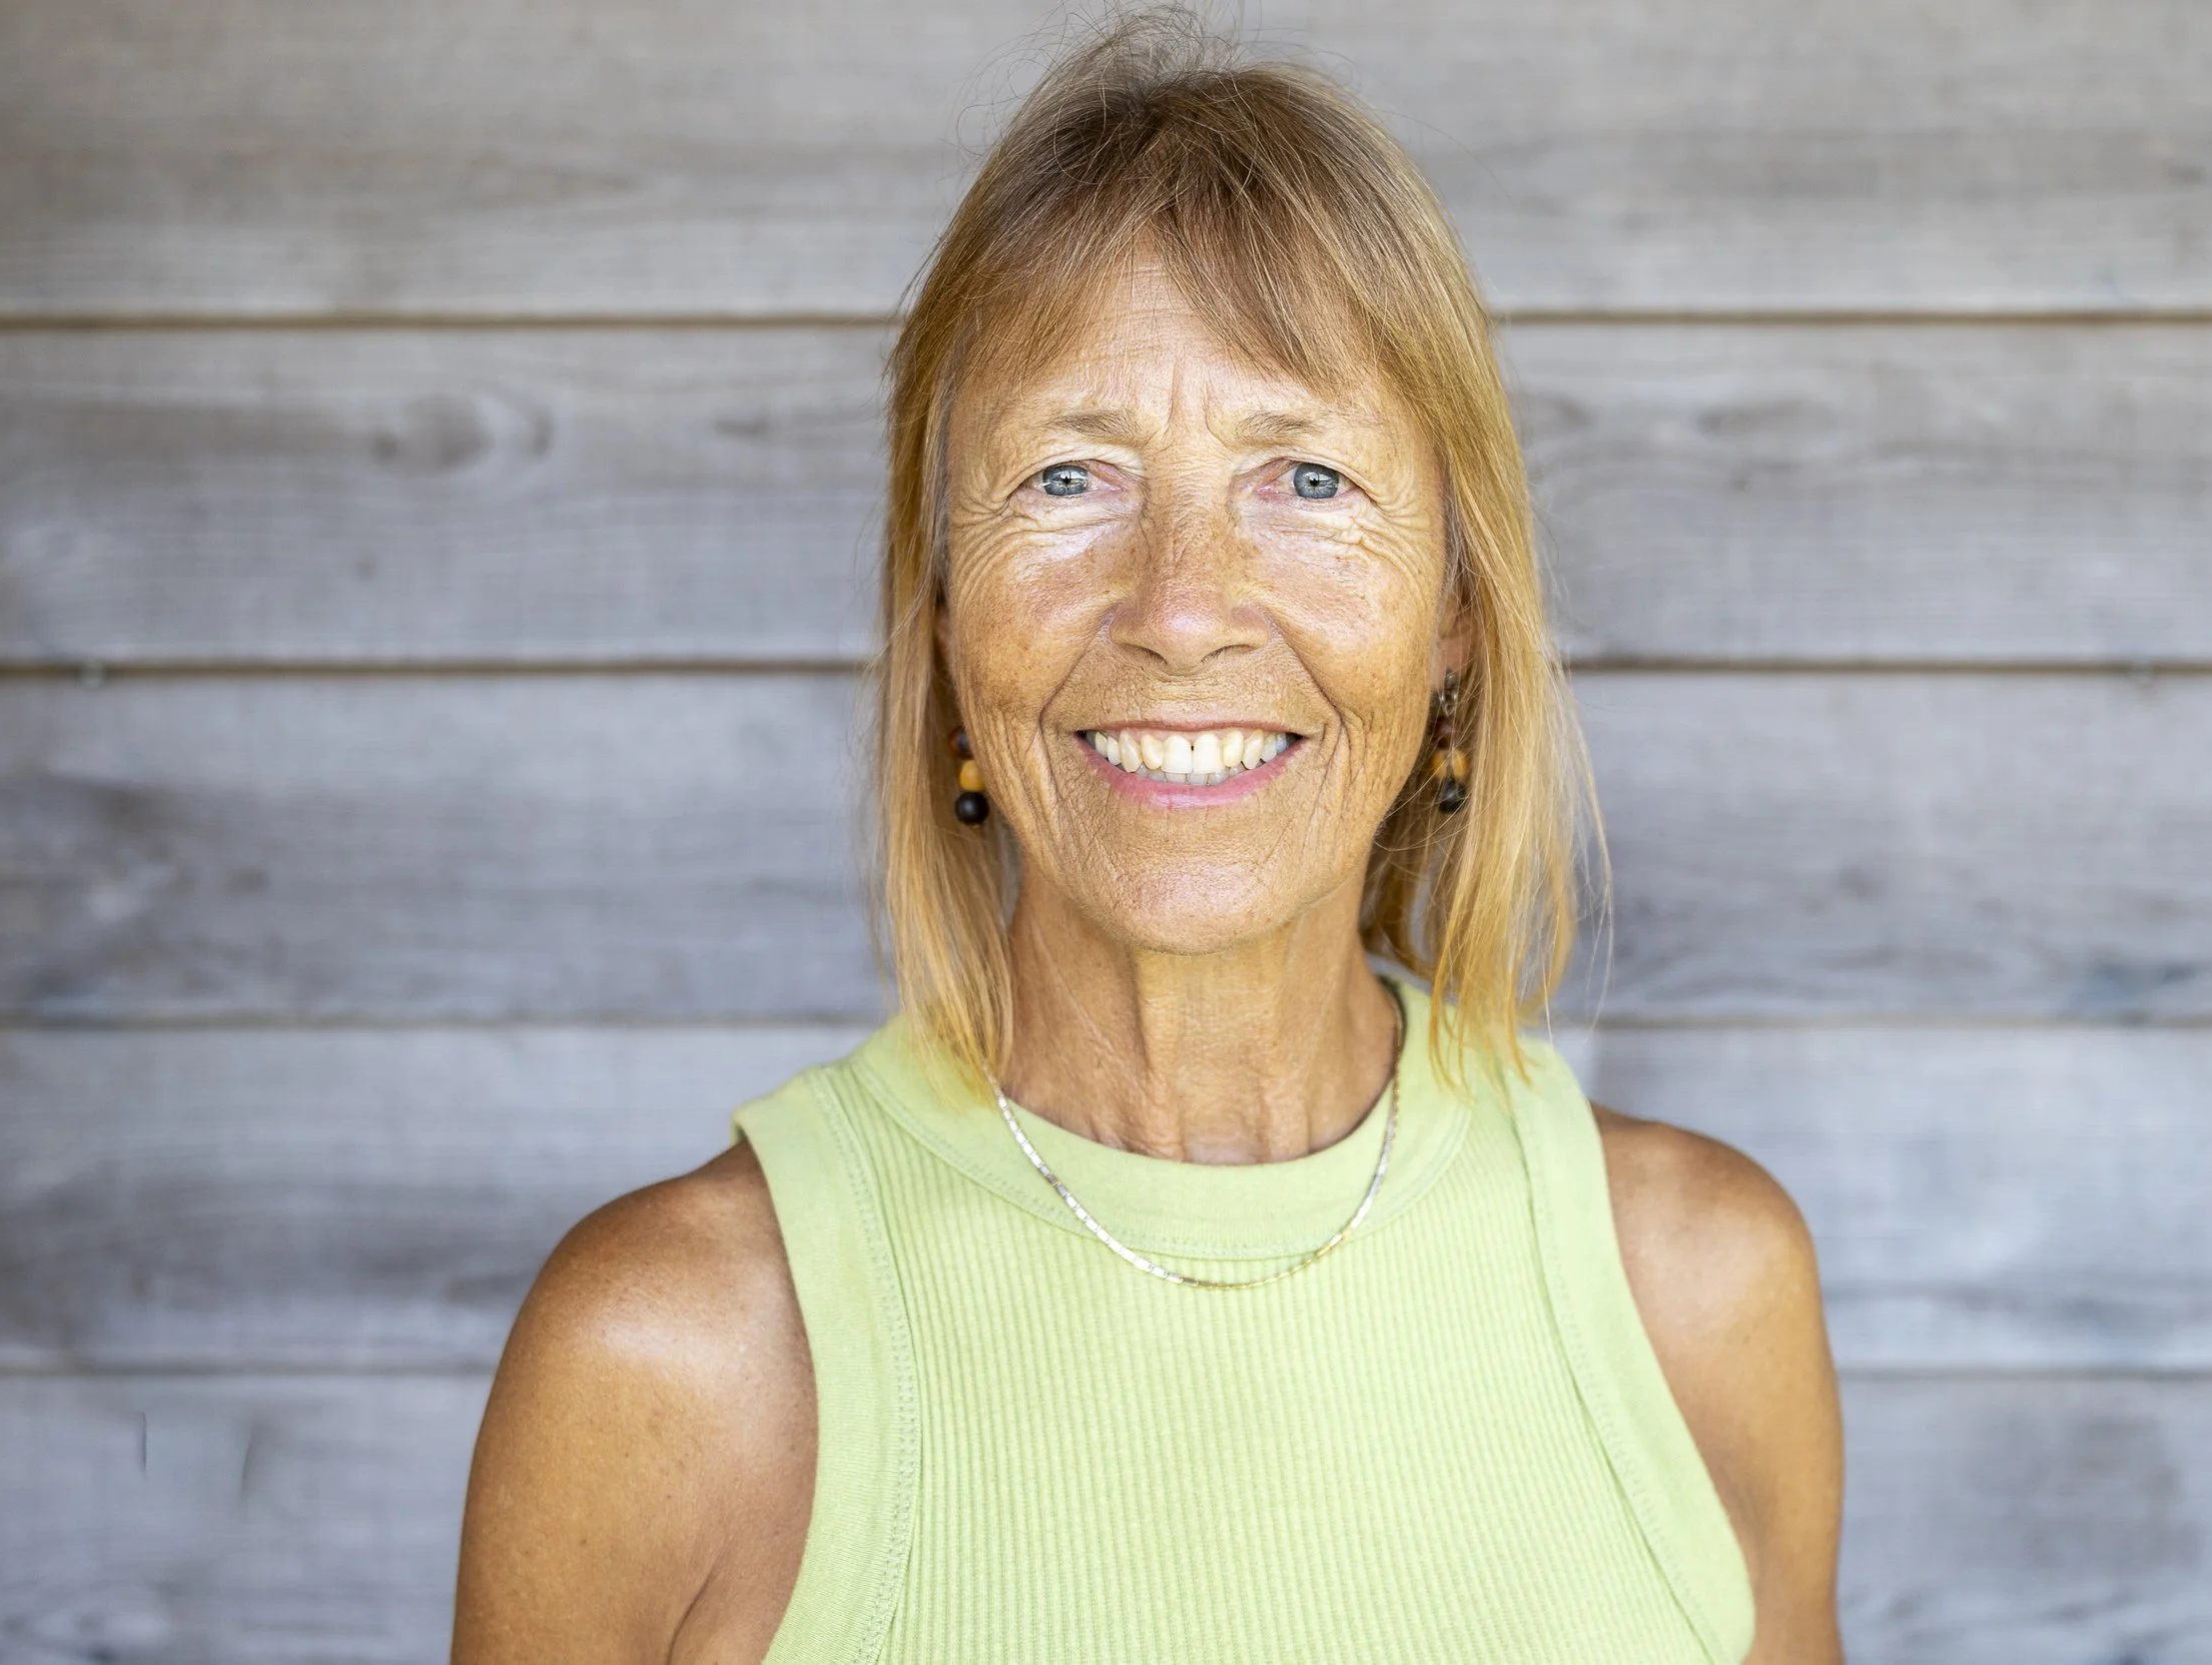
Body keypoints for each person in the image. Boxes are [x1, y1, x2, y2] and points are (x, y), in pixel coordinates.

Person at [452, 14, 1843, 1663]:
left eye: (1309, 479)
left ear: (1458, 616)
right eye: (1068, 479)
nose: (1183, 610)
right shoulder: (674, 1358)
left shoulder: (1700, 1294)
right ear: (950, 617)